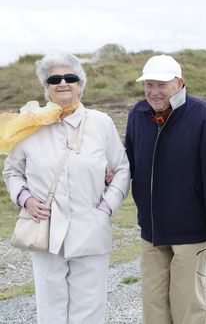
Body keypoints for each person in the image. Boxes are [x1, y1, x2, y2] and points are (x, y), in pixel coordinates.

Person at [3, 53, 130, 324]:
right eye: (54, 79)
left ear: (81, 84)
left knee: (90, 310)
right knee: (50, 310)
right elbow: (12, 171)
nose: (63, 83)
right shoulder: (31, 125)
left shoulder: (101, 123)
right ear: (45, 87)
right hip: (46, 232)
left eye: (70, 78)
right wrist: (25, 199)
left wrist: (106, 208)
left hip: (91, 229)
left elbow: (121, 169)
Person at [125, 54, 206, 324]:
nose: (154, 92)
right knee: (153, 303)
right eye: (149, 84)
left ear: (180, 83)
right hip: (152, 229)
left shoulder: (201, 114)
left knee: (186, 302)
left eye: (162, 84)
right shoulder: (138, 113)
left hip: (190, 230)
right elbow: (128, 162)